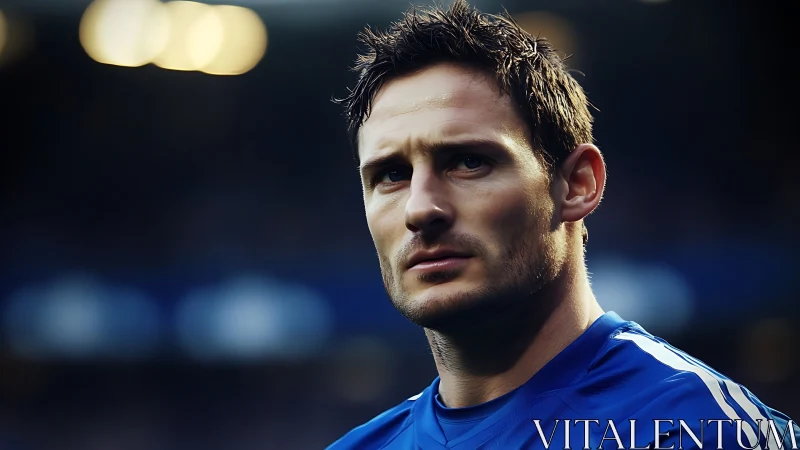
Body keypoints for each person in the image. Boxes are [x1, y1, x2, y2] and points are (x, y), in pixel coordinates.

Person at [327, 1, 798, 448]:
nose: (420, 209)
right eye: (391, 175)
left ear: (576, 184)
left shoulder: (703, 431)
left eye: (468, 161)